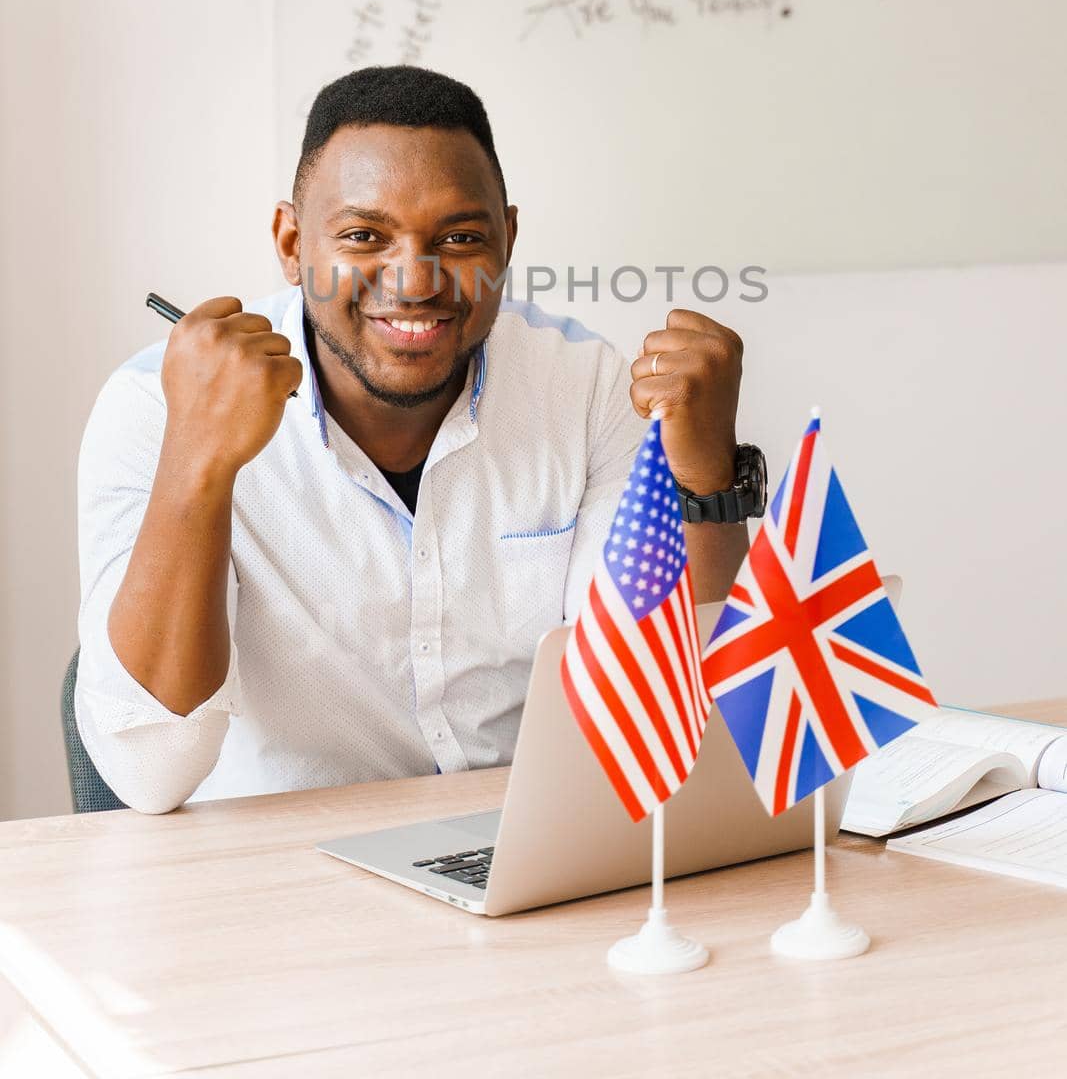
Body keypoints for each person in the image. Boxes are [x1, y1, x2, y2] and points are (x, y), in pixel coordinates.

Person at [75, 66, 750, 814]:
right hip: (274, 868)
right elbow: (148, 774)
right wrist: (196, 463)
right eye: (365, 235)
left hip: (526, 846)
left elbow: (664, 715)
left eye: (459, 237)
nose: (415, 279)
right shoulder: (152, 406)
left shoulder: (585, 386)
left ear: (508, 241)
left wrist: (703, 476)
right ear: (292, 243)